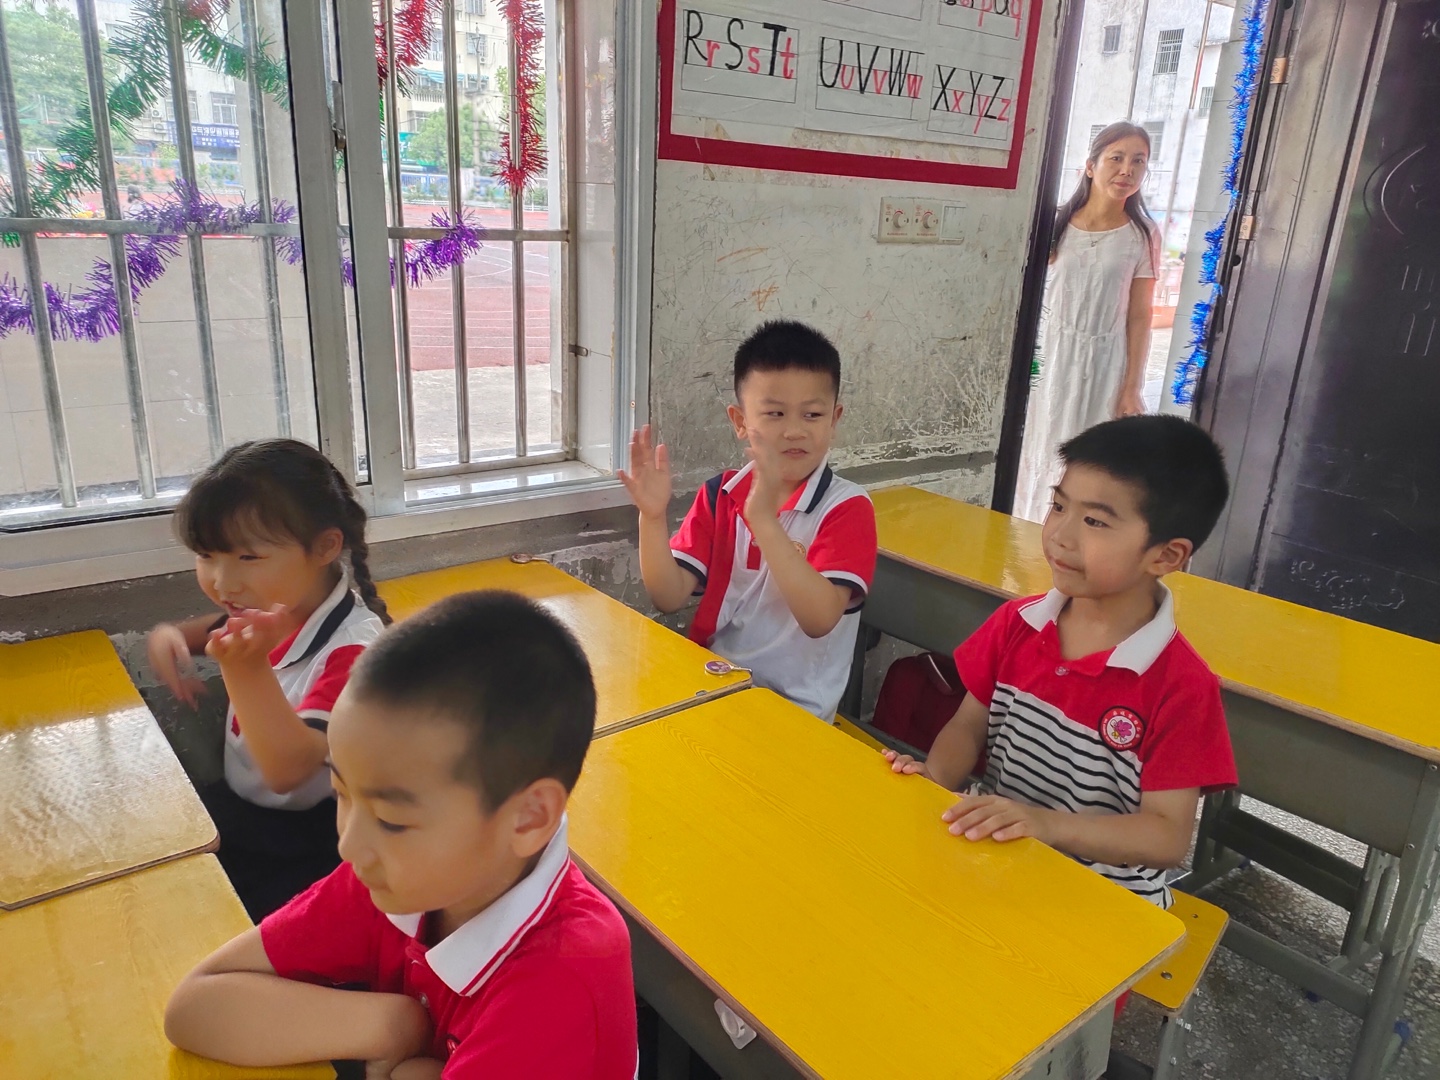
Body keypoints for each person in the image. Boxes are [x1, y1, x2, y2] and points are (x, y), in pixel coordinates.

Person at [165, 592, 638, 1079]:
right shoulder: (399, 880)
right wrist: (391, 1025)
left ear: (528, 818)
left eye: (392, 819)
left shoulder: (560, 984)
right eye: (342, 793)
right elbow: (195, 1005)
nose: (348, 846)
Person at [885, 416, 1236, 910]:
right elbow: (968, 726)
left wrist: (1045, 825)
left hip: (1104, 902)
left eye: (1095, 522)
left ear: (1165, 556)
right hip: (999, 862)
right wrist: (934, 782)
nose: (1060, 535)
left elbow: (1166, 837)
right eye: (1058, 506)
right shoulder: (1018, 623)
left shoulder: (1181, 684)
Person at [147, 439, 389, 919]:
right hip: (245, 815)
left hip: (307, 846)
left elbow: (288, 772)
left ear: (325, 547)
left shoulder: (353, 651)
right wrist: (167, 638)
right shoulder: (274, 608)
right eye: (206, 556)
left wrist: (245, 669)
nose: (223, 582)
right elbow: (197, 632)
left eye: (248, 558)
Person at [619, 320, 877, 722]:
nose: (794, 431)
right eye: (775, 413)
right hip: (716, 686)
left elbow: (820, 619)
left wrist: (763, 520)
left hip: (796, 714)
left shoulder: (846, 507)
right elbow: (668, 598)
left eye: (812, 414)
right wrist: (652, 517)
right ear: (740, 421)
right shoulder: (720, 495)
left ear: (834, 419)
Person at [1015, 121, 1160, 523]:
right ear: (1091, 166)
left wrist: (1131, 386)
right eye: (1116, 158)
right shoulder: (1055, 223)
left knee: (1091, 461)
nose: (1127, 169)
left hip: (1105, 363)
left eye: (1138, 161)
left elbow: (1140, 315)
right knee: (1039, 448)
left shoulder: (1142, 234)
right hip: (1049, 359)